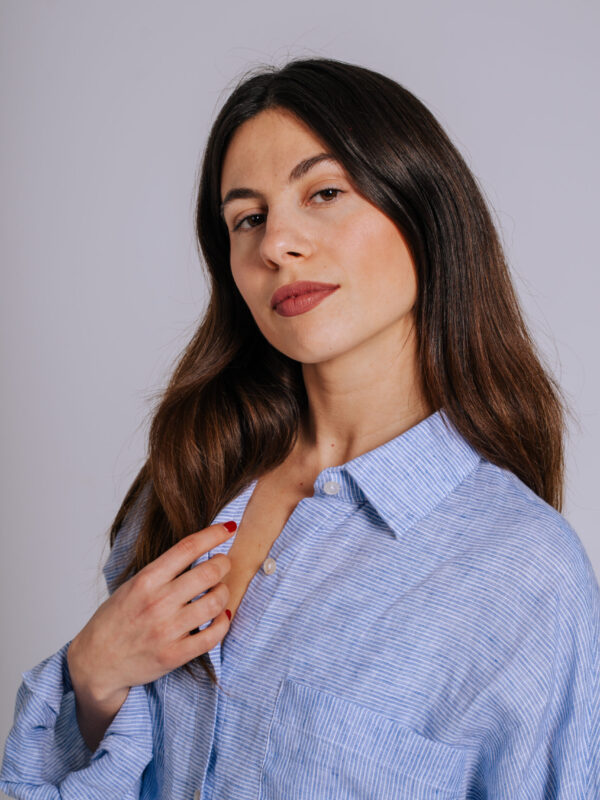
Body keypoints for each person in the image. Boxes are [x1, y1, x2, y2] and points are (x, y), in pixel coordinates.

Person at [1, 56, 598, 799]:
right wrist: (93, 675)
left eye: (324, 193)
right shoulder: (189, 482)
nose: (276, 243)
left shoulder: (524, 571)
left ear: (424, 210)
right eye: (247, 218)